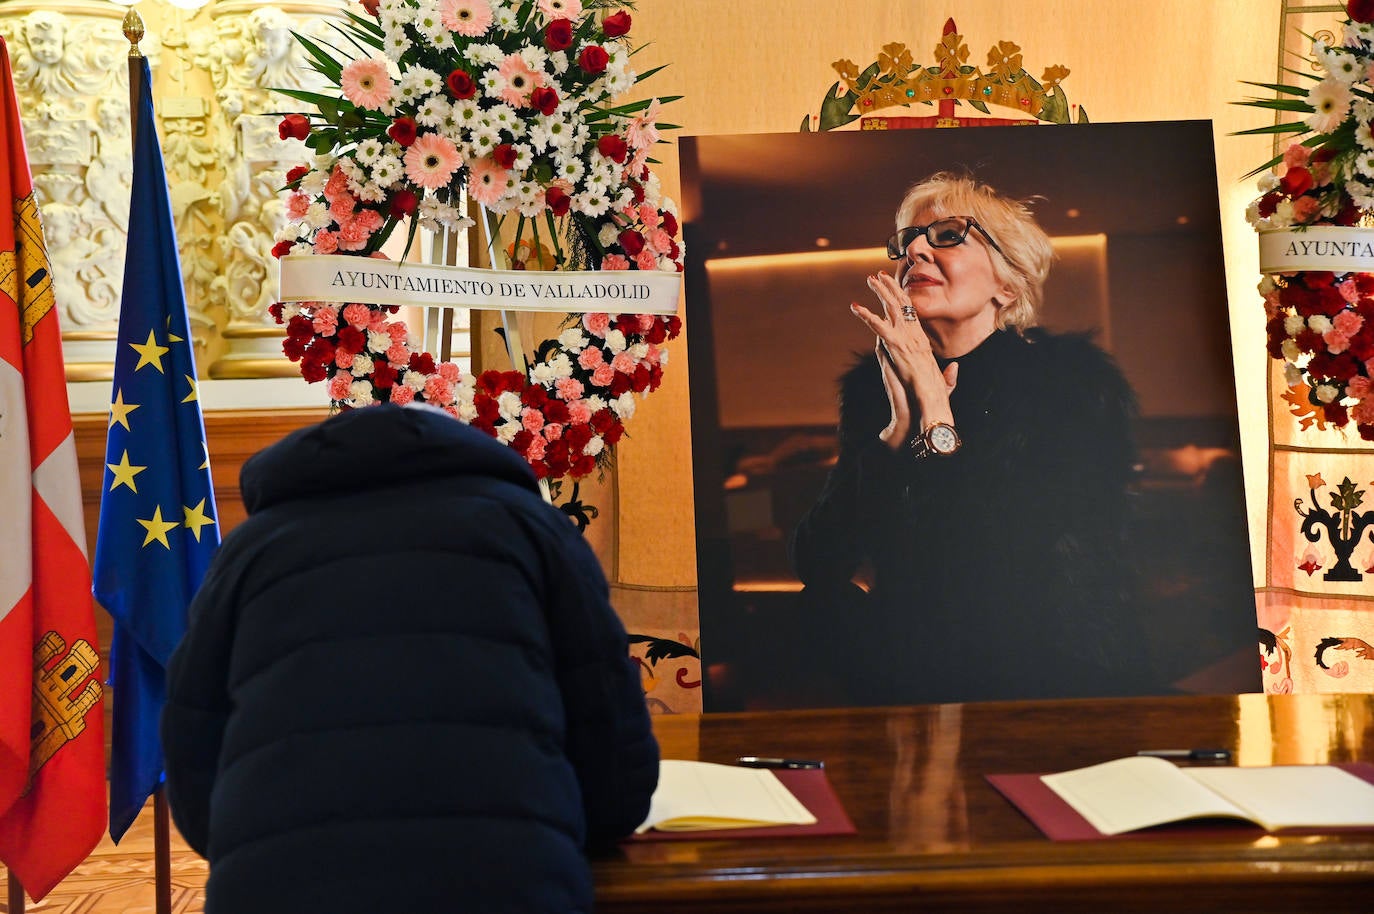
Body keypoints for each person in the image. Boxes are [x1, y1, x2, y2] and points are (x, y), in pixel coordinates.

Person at [161, 403, 659, 914]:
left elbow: (191, 731)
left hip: (279, 884)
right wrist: (593, 825)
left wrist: (240, 844)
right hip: (506, 878)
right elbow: (605, 720)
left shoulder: (248, 552)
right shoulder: (534, 528)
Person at [790, 172, 1155, 705]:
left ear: (1006, 285)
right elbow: (818, 563)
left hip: (1048, 673)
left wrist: (937, 417)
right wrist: (894, 434)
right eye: (906, 241)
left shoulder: (1071, 385)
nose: (914, 248)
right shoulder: (874, 390)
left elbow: (1005, 564)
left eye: (947, 234)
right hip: (909, 675)